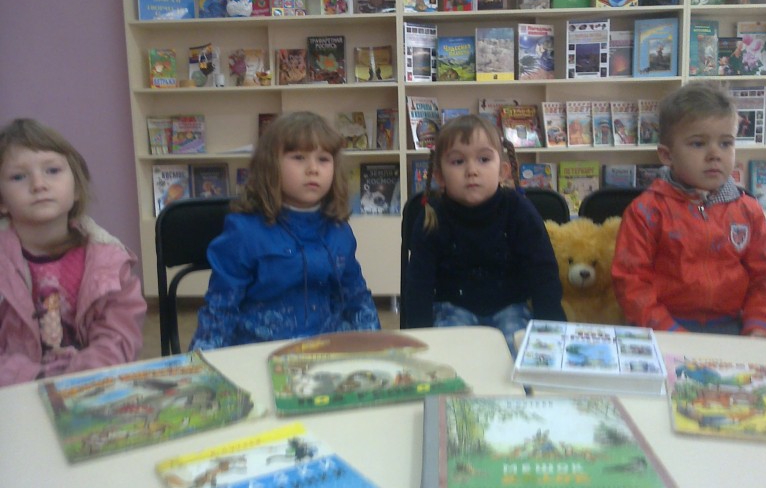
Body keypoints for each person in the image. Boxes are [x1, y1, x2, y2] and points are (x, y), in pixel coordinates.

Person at [190, 111, 379, 351]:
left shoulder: (338, 230)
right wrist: (202, 363)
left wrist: (378, 348)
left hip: (324, 349)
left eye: (323, 159)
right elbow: (221, 309)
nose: (313, 169)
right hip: (259, 351)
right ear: (270, 166)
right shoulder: (244, 232)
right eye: (299, 157)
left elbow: (356, 297)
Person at [612, 82, 766, 337]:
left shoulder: (748, 211)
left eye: (726, 143)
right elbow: (631, 282)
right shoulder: (646, 211)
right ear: (667, 155)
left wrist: (759, 324)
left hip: (733, 326)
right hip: (661, 327)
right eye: (698, 144)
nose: (715, 154)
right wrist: (670, 331)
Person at [0, 118, 146, 386]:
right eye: (19, 176)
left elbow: (119, 336)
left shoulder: (108, 261)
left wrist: (80, 376)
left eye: (52, 170)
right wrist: (35, 378)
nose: (38, 184)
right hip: (15, 394)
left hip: (91, 388)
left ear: (77, 188)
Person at [404, 114, 566, 355]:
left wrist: (552, 331)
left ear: (503, 171)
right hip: (452, 309)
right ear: (439, 177)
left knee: (519, 353)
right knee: (452, 357)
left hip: (511, 308)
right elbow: (418, 284)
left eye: (483, 159)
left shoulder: (519, 211)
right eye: (458, 161)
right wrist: (419, 338)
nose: (472, 170)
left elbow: (543, 272)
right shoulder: (432, 217)